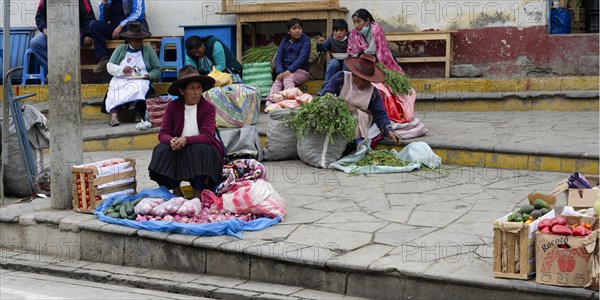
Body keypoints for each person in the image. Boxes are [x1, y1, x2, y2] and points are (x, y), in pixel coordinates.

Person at [148, 65, 225, 199]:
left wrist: (186, 140)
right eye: (192, 88)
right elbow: (163, 133)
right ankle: (176, 190)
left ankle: (198, 191)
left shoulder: (208, 108)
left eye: (198, 88)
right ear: (182, 91)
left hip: (201, 147)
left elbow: (207, 136)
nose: (196, 93)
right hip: (178, 147)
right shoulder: (173, 106)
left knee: (201, 149)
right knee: (161, 150)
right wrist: (171, 140)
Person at [320, 54, 402, 146]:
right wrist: (344, 105)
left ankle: (358, 145)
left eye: (369, 81)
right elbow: (325, 95)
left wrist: (389, 130)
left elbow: (380, 113)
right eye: (364, 80)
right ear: (355, 76)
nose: (367, 83)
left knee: (358, 117)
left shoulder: (373, 93)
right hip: (338, 117)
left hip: (361, 124)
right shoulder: (341, 78)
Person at [101, 22, 160, 127]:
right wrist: (122, 70)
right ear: (129, 40)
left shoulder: (149, 51)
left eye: (140, 40)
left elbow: (157, 70)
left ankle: (139, 113)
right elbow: (110, 66)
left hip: (141, 79)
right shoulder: (120, 49)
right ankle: (114, 116)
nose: (138, 43)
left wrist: (149, 76)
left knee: (141, 87)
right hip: (122, 79)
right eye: (135, 40)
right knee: (115, 87)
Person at [31, 0, 96, 71]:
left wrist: (88, 34)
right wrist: (44, 28)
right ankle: (56, 71)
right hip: (53, 30)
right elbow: (39, 16)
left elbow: (88, 16)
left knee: (69, 43)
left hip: (75, 30)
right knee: (35, 43)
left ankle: (66, 73)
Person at [89, 0, 149, 73]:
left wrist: (121, 25)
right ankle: (104, 59)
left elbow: (138, 13)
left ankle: (131, 61)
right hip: (115, 30)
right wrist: (104, 4)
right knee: (94, 25)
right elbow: (102, 20)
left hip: (132, 28)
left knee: (130, 26)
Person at [266, 18, 311, 105]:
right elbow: (279, 57)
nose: (297, 30)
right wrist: (279, 72)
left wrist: (290, 70)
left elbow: (302, 58)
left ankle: (291, 101)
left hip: (301, 71)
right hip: (286, 71)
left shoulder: (306, 40)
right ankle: (270, 101)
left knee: (288, 78)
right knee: (278, 80)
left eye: (299, 28)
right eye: (294, 28)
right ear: (288, 31)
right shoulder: (285, 41)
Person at [347, 8, 403, 73]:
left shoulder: (375, 29)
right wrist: (358, 56)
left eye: (358, 21)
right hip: (362, 60)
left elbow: (371, 50)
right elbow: (351, 52)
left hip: (377, 59)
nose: (356, 25)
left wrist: (359, 55)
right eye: (354, 22)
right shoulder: (354, 33)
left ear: (367, 21)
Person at [316, 19, 349, 88]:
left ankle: (344, 87)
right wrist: (319, 44)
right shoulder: (331, 40)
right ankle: (326, 86)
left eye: (341, 30)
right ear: (333, 32)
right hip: (335, 59)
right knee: (332, 64)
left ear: (346, 31)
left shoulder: (350, 39)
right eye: (336, 31)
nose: (339, 33)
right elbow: (322, 49)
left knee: (346, 65)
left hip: (347, 60)